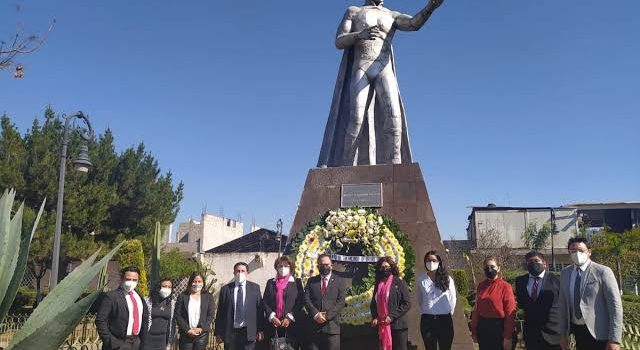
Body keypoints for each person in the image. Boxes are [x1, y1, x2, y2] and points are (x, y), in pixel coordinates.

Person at [317, 0, 445, 167]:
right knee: (355, 119)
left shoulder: (391, 15)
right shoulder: (354, 11)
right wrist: (358, 35)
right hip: (361, 66)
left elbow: (413, 24)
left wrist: (430, 7)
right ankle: (347, 167)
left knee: (394, 116)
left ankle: (396, 165)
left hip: (383, 67)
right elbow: (339, 41)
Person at [558, 237, 623, 350]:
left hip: (599, 333)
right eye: (573, 251)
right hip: (577, 332)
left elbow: (615, 306)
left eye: (581, 250)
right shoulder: (565, 273)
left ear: (589, 252)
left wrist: (614, 339)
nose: (577, 254)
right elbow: (563, 304)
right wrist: (563, 334)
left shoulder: (602, 271)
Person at [515, 251, 562, 350]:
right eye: (529, 262)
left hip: (554, 334)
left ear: (544, 263)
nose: (533, 264)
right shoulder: (520, 281)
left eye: (536, 260)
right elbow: (521, 303)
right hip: (531, 335)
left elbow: (564, 305)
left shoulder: (557, 280)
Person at [96, 266, 149, 350]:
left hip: (136, 342)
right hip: (118, 343)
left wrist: (142, 341)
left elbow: (144, 319)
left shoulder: (139, 298)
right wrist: (110, 341)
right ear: (122, 279)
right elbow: (101, 320)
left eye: (134, 280)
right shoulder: (111, 297)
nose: (131, 282)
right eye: (128, 279)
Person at [214, 262, 265, 350]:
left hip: (248, 333)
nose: (240, 273)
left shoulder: (255, 288)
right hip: (230, 333)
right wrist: (218, 332)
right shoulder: (226, 289)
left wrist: (260, 330)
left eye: (243, 271)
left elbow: (259, 311)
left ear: (247, 273)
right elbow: (220, 312)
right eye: (238, 271)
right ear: (234, 273)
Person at [470, 256, 516, 350]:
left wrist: (507, 337)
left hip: (499, 329)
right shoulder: (481, 286)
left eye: (492, 266)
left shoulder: (505, 287)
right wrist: (474, 331)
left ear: (498, 268)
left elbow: (510, 312)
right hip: (484, 329)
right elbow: (476, 310)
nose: (489, 269)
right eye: (486, 267)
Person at [303, 254, 346, 350]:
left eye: (327, 264)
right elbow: (306, 299)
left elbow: (341, 301)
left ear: (331, 265)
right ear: (318, 266)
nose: (324, 267)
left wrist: (327, 316)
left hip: (332, 328)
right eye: (321, 265)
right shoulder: (311, 281)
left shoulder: (340, 281)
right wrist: (316, 314)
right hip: (314, 328)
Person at [417, 251, 457, 350]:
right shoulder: (421, 279)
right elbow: (420, 299)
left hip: (444, 320)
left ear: (439, 262)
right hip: (428, 320)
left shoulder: (447, 279)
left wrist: (447, 312)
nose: (431, 262)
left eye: (434, 260)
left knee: (445, 347)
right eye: (428, 260)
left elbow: (452, 298)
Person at [262, 256, 304, 349]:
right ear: (276, 267)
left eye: (286, 266)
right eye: (280, 266)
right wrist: (272, 316)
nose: (283, 268)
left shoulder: (297, 282)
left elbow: (300, 301)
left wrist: (289, 317)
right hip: (273, 325)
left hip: (291, 325)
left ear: (291, 267)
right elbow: (265, 301)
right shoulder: (270, 282)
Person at [370, 256, 411, 350]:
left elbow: (407, 303)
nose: (385, 269)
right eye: (382, 267)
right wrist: (375, 316)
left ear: (392, 268)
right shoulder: (378, 284)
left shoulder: (399, 283)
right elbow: (373, 304)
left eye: (387, 267)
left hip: (398, 326)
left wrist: (391, 316)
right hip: (382, 325)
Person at [175, 272, 215, 350]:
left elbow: (210, 315)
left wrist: (201, 329)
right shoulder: (183, 296)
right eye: (194, 281)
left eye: (199, 281)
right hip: (186, 335)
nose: (197, 284)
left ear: (203, 283)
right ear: (190, 282)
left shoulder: (208, 297)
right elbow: (177, 315)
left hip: (202, 335)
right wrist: (187, 330)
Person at [142, 278, 177, 350]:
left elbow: (172, 324)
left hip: (162, 341)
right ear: (158, 287)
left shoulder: (172, 303)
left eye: (169, 287)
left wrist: (169, 343)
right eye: (164, 286)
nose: (167, 289)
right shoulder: (147, 301)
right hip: (148, 340)